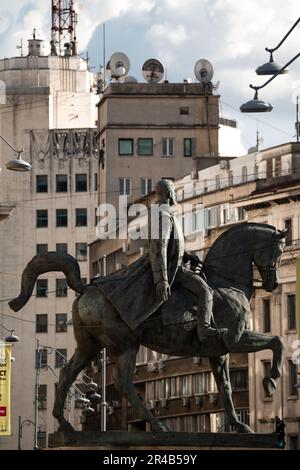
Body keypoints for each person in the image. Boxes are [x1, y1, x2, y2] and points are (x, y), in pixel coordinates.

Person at [149, 179, 227, 341]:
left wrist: (188, 255)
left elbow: (172, 246)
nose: (176, 195)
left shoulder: (166, 214)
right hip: (172, 270)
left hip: (174, 265)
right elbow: (158, 248)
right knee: (206, 291)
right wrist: (161, 279)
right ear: (170, 194)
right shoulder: (162, 215)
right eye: (175, 192)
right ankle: (204, 329)